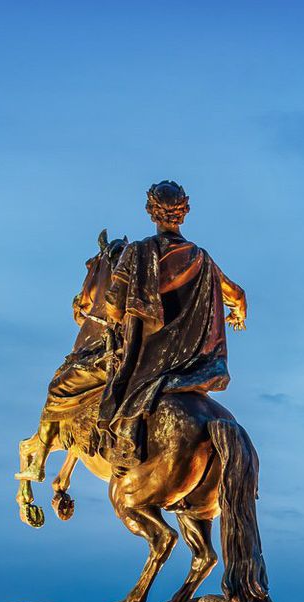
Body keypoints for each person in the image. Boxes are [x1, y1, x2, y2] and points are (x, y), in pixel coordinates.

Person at [94, 180, 248, 463]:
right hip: (197, 366)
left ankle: (124, 440)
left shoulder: (137, 253)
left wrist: (117, 322)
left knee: (120, 393)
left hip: (154, 361)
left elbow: (114, 305)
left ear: (151, 211)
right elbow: (237, 294)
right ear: (184, 211)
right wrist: (237, 314)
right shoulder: (202, 258)